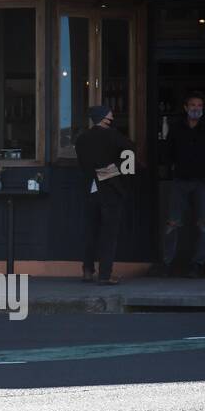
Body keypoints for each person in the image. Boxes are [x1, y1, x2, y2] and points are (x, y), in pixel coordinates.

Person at [157, 92, 205, 278]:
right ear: (186, 107)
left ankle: (197, 264)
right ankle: (167, 262)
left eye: (199, 106)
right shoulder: (177, 126)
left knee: (202, 224)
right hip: (180, 179)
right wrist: (171, 167)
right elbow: (168, 149)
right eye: (193, 105)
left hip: (202, 181)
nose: (196, 108)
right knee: (172, 223)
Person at [74, 104, 136, 286]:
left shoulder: (81, 139)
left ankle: (87, 270)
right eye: (110, 116)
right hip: (110, 190)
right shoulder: (114, 136)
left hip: (90, 188)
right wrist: (113, 172)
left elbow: (83, 165)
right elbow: (130, 155)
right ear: (104, 118)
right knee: (108, 234)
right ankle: (105, 275)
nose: (112, 118)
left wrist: (95, 173)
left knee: (90, 232)